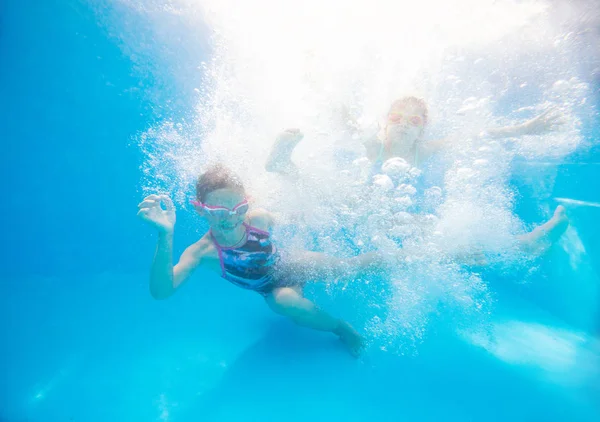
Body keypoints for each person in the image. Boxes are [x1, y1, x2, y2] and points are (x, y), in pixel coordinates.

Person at [137, 164, 393, 357]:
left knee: (348, 267)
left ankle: (406, 258)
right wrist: (165, 234)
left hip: (293, 263)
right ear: (200, 209)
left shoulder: (258, 219)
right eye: (219, 212)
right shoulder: (203, 252)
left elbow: (297, 218)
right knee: (286, 302)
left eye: (238, 209)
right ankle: (342, 329)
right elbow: (161, 291)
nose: (231, 218)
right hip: (271, 289)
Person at [265, 97, 570, 257]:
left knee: (449, 243)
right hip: (359, 207)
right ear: (386, 123)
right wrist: (326, 90)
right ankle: (282, 165)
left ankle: (525, 244)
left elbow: (476, 136)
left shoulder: (423, 150)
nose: (404, 124)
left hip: (397, 218)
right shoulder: (374, 145)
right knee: (333, 192)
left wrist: (524, 129)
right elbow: (348, 122)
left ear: (421, 129)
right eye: (396, 118)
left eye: (414, 120)